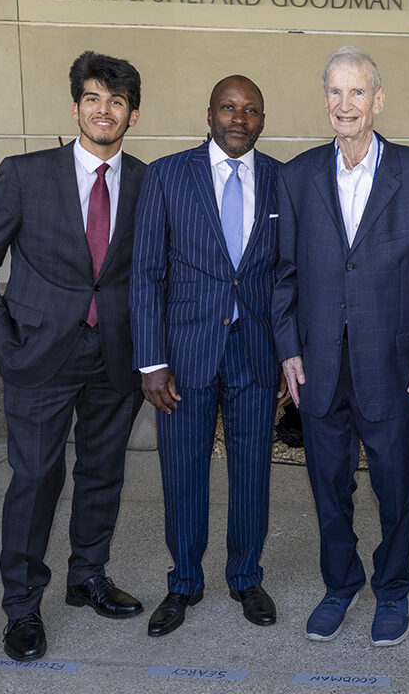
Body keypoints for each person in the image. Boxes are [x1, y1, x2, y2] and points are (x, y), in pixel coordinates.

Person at [273, 46, 409, 647]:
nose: (344, 105)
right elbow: (285, 274)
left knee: (395, 487)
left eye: (357, 93)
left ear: (378, 101)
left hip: (394, 366)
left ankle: (393, 588)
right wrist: (288, 348)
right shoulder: (295, 176)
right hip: (320, 365)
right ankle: (340, 583)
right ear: (324, 100)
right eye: (335, 93)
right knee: (328, 488)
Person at [0, 51, 146, 661]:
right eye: (93, 98)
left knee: (103, 473)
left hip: (115, 355)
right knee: (34, 480)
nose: (103, 110)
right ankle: (22, 607)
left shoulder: (144, 182)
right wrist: (2, 333)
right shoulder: (25, 174)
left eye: (116, 101)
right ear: (76, 105)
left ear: (133, 113)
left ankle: (88, 577)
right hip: (40, 355)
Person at [131, 75, 281, 636]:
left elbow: (285, 276)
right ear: (209, 113)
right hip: (183, 358)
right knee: (183, 473)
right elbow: (145, 274)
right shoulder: (169, 176)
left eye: (251, 110)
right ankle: (184, 582)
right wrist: (150, 361)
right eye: (228, 108)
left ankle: (246, 577)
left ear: (262, 121)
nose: (239, 118)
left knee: (252, 475)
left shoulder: (278, 180)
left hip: (256, 356)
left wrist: (288, 355)